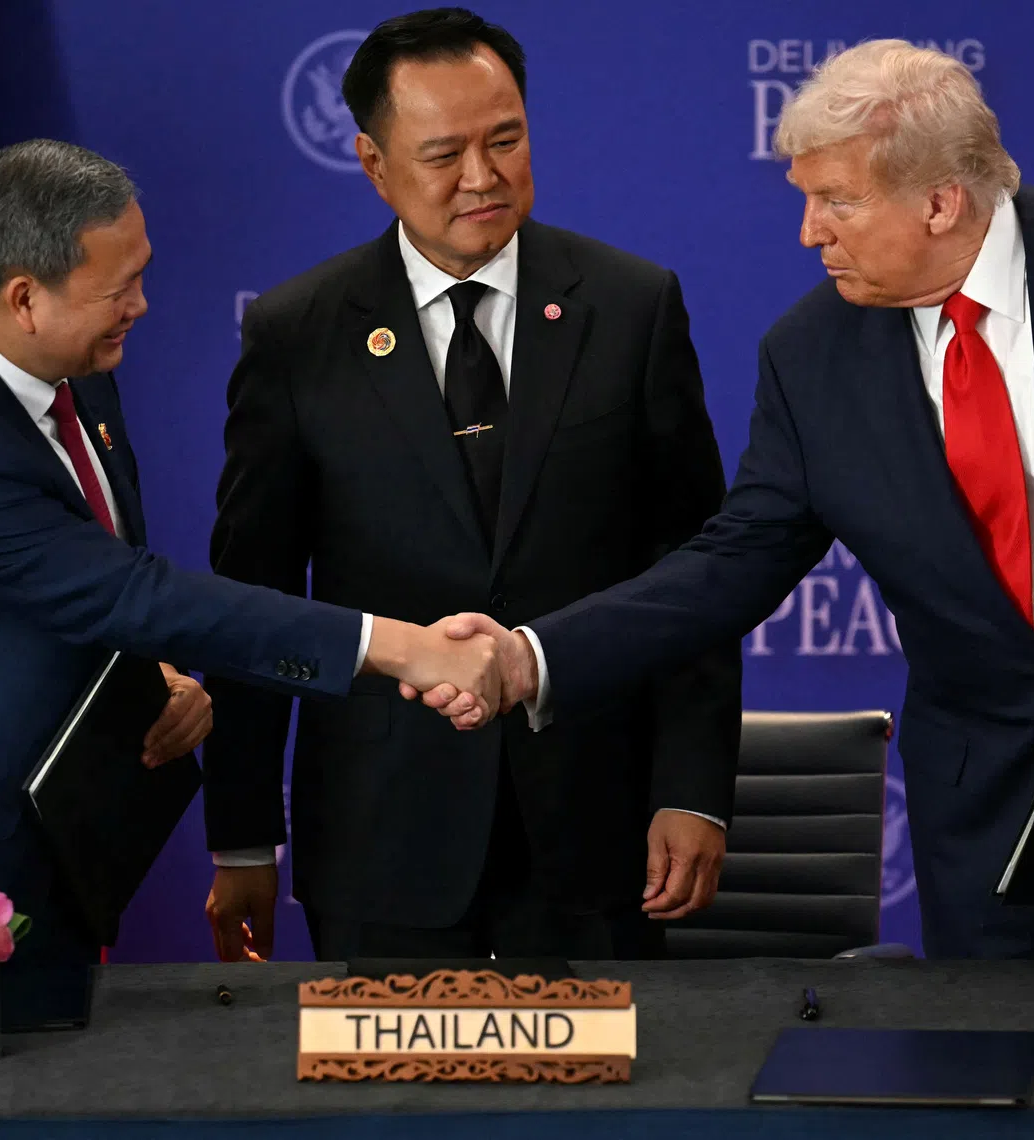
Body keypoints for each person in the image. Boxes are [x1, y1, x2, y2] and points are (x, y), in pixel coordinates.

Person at [435, 39, 1034, 959]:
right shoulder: (810, 357)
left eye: (837, 201)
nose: (810, 232)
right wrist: (535, 656)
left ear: (940, 202)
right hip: (994, 818)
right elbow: (732, 563)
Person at [0, 138, 499, 1024]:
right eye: (118, 290)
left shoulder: (75, 371)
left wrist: (151, 673)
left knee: (60, 1067)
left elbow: (70, 591)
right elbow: (133, 592)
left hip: (67, 838)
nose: (141, 306)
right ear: (26, 298)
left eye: (142, 275)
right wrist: (399, 647)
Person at [202, 7, 740, 963]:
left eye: (506, 140)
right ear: (374, 164)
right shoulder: (297, 334)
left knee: (600, 1069)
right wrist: (243, 833)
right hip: (380, 836)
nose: (484, 177)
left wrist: (692, 789)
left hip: (597, 826)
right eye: (445, 153)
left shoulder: (631, 306)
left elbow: (694, 569)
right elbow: (258, 596)